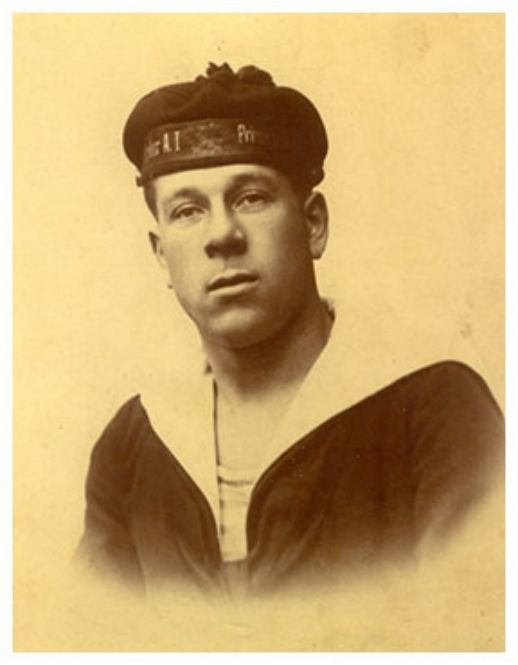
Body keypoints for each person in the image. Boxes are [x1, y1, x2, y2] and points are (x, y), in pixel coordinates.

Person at [77, 63, 504, 597]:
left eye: (251, 198)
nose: (222, 235)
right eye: (187, 211)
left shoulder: (432, 407)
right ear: (161, 255)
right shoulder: (131, 445)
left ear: (313, 224)